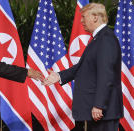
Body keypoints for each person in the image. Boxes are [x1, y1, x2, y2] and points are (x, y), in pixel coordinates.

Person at [43, 3, 123, 131]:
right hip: (98, 112)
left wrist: (99, 105)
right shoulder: (99, 38)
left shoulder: (106, 39)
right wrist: (59, 76)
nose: (81, 21)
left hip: (103, 112)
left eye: (84, 17)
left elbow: (106, 75)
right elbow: (83, 66)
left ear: (95, 17)